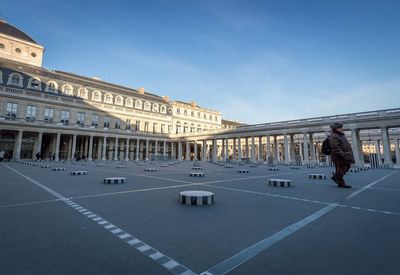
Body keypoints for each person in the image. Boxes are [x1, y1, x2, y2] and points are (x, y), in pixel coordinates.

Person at [329, 122, 354, 188]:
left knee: (346, 167)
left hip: (345, 154)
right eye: (340, 128)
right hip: (339, 155)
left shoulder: (341, 135)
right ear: (336, 129)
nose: (342, 129)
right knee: (341, 169)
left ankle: (336, 177)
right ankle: (341, 182)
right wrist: (342, 154)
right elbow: (335, 146)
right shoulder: (334, 135)